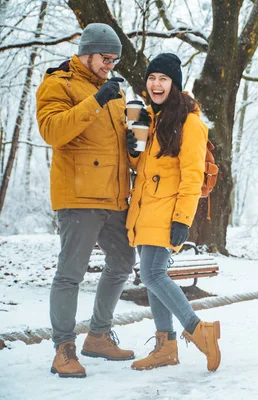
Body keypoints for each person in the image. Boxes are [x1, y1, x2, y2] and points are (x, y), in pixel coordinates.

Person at [36, 23, 136, 378]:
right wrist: (96, 101)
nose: (110, 65)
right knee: (70, 274)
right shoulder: (58, 84)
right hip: (78, 196)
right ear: (87, 53)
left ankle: (98, 335)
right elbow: (54, 132)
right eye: (105, 58)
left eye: (114, 60)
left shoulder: (114, 90)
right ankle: (63, 349)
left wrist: (133, 145)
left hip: (114, 195)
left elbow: (115, 141)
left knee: (124, 262)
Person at [126, 53, 221, 372]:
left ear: (174, 84)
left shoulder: (189, 122)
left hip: (167, 212)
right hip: (145, 210)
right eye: (152, 78)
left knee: (152, 274)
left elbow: (192, 174)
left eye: (163, 79)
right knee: (153, 277)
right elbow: (141, 166)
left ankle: (198, 330)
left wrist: (182, 219)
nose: (156, 84)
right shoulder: (152, 118)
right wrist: (135, 140)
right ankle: (166, 345)